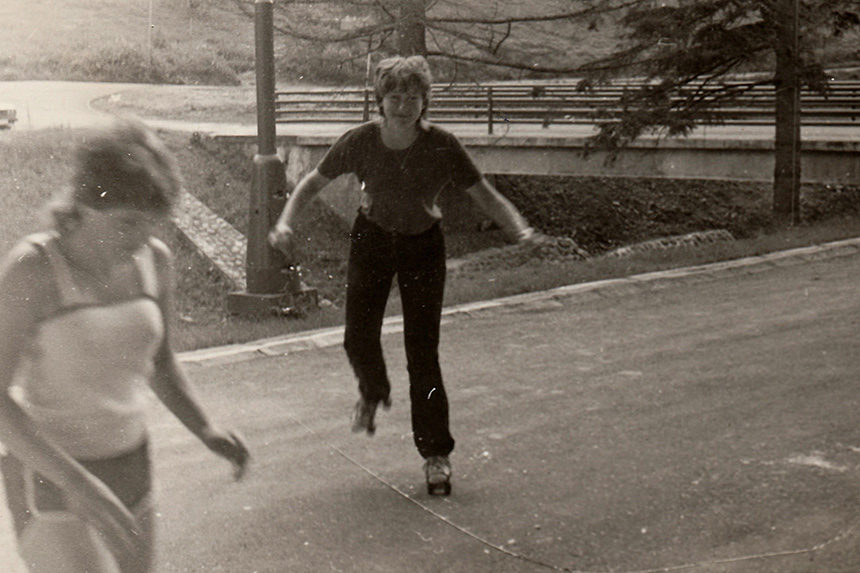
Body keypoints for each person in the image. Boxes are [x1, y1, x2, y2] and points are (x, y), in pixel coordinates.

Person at [269, 55, 543, 496]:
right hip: (372, 240)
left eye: (411, 98)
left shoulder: (442, 145)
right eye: (394, 97)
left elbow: (485, 196)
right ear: (381, 100)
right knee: (357, 335)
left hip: (422, 247)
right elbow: (311, 184)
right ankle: (373, 391)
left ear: (424, 102)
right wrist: (285, 222)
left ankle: (436, 456)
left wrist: (520, 229)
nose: (402, 106)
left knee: (423, 353)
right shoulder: (360, 140)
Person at [0, 118, 250, 572]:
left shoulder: (155, 261)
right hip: (49, 476)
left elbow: (162, 364)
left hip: (131, 464)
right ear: (84, 205)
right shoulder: (32, 270)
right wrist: (74, 481)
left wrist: (205, 428)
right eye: (126, 223)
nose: (139, 241)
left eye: (151, 225)